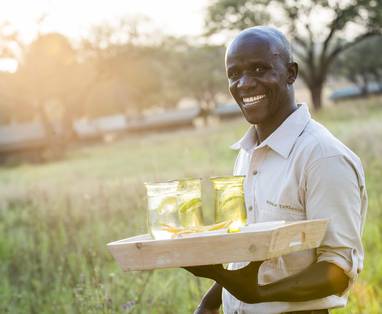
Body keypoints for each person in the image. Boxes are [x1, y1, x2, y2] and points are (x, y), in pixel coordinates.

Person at [184, 26, 367, 314]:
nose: (244, 83)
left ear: (290, 73)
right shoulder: (248, 154)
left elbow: (338, 269)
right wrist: (209, 304)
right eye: (234, 74)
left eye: (259, 69)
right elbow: (249, 256)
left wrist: (259, 294)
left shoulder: (322, 157)